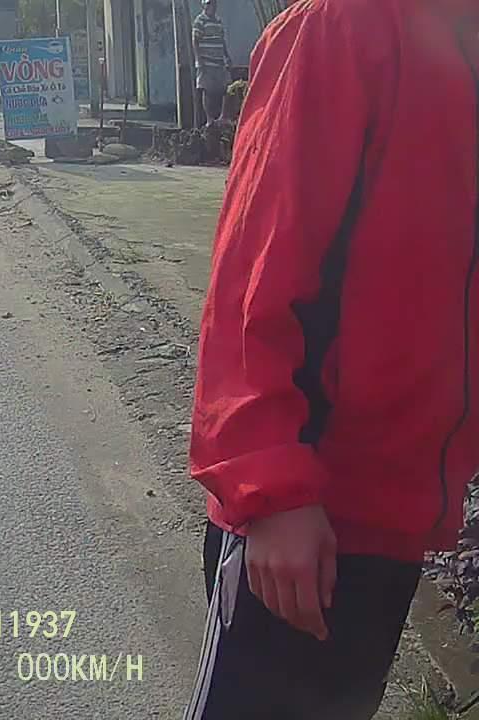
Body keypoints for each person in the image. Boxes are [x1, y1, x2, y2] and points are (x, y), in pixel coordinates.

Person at [184, 0, 479, 718]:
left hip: (402, 511)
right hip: (304, 518)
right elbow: (250, 277)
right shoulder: (340, 28)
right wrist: (273, 492)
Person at [191, 0, 231, 127]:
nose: (211, 6)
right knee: (207, 90)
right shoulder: (200, 21)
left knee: (225, 88)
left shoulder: (218, 21)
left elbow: (222, 40)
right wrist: (199, 60)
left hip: (219, 61)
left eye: (213, 3)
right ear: (203, 5)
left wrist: (226, 56)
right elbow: (195, 41)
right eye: (208, 4)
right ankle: (209, 119)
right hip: (206, 62)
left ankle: (222, 116)